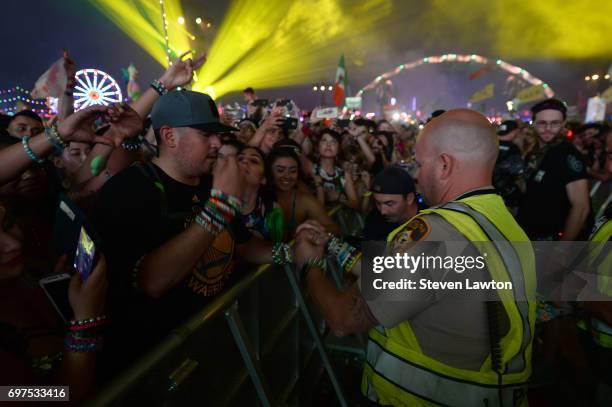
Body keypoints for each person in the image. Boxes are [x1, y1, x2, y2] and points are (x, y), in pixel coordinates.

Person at [294, 109, 536, 406]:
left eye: (419, 164)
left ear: (445, 165)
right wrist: (333, 244)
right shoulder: (507, 224)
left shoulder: (434, 233)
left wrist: (310, 263)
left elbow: (344, 319)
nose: (417, 175)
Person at [92, 90, 285, 376]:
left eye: (218, 134)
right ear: (169, 137)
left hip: (213, 343)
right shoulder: (130, 191)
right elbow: (151, 281)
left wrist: (290, 252)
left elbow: (243, 245)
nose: (218, 143)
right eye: (206, 134)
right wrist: (217, 209)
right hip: (156, 365)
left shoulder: (210, 183)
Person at [517, 99, 590, 241]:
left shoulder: (567, 154)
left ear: (563, 124)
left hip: (552, 240)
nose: (548, 128)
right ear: (533, 123)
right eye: (542, 123)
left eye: (555, 123)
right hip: (529, 237)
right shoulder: (534, 152)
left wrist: (561, 250)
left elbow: (581, 207)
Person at [266, 145, 339, 240]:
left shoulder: (304, 200)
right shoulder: (260, 197)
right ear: (269, 171)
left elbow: (335, 229)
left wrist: (310, 231)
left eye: (292, 171)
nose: (287, 176)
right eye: (280, 170)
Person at [362, 165, 418, 241]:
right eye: (378, 203)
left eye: (389, 204)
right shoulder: (373, 221)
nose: (382, 211)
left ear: (409, 198)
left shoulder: (432, 219)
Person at [311, 129, 358, 210]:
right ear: (317, 147)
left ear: (339, 148)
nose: (328, 145)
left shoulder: (344, 174)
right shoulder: (311, 170)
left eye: (333, 141)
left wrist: (338, 197)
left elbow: (356, 205)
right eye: (324, 140)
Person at [493, 120, 525, 212]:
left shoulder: (490, 144)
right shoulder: (514, 149)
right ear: (515, 132)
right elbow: (518, 172)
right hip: (507, 196)